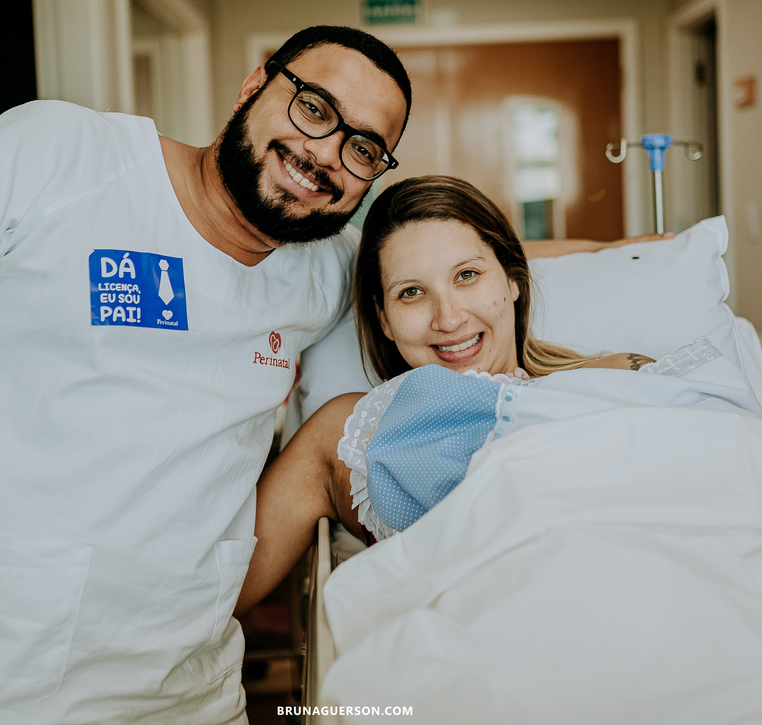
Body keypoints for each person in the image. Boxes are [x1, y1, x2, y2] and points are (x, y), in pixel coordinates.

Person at [0, 24, 663, 723]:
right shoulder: (56, 155)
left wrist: (654, 254)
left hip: (186, 697)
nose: (327, 153)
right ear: (257, 85)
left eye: (365, 148)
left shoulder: (320, 267)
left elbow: (457, 260)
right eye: (315, 108)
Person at [235, 176, 655, 613]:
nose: (449, 319)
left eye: (467, 275)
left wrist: (604, 248)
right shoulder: (350, 433)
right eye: (411, 292)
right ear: (384, 318)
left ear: (512, 280)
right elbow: (216, 596)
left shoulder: (621, 375)